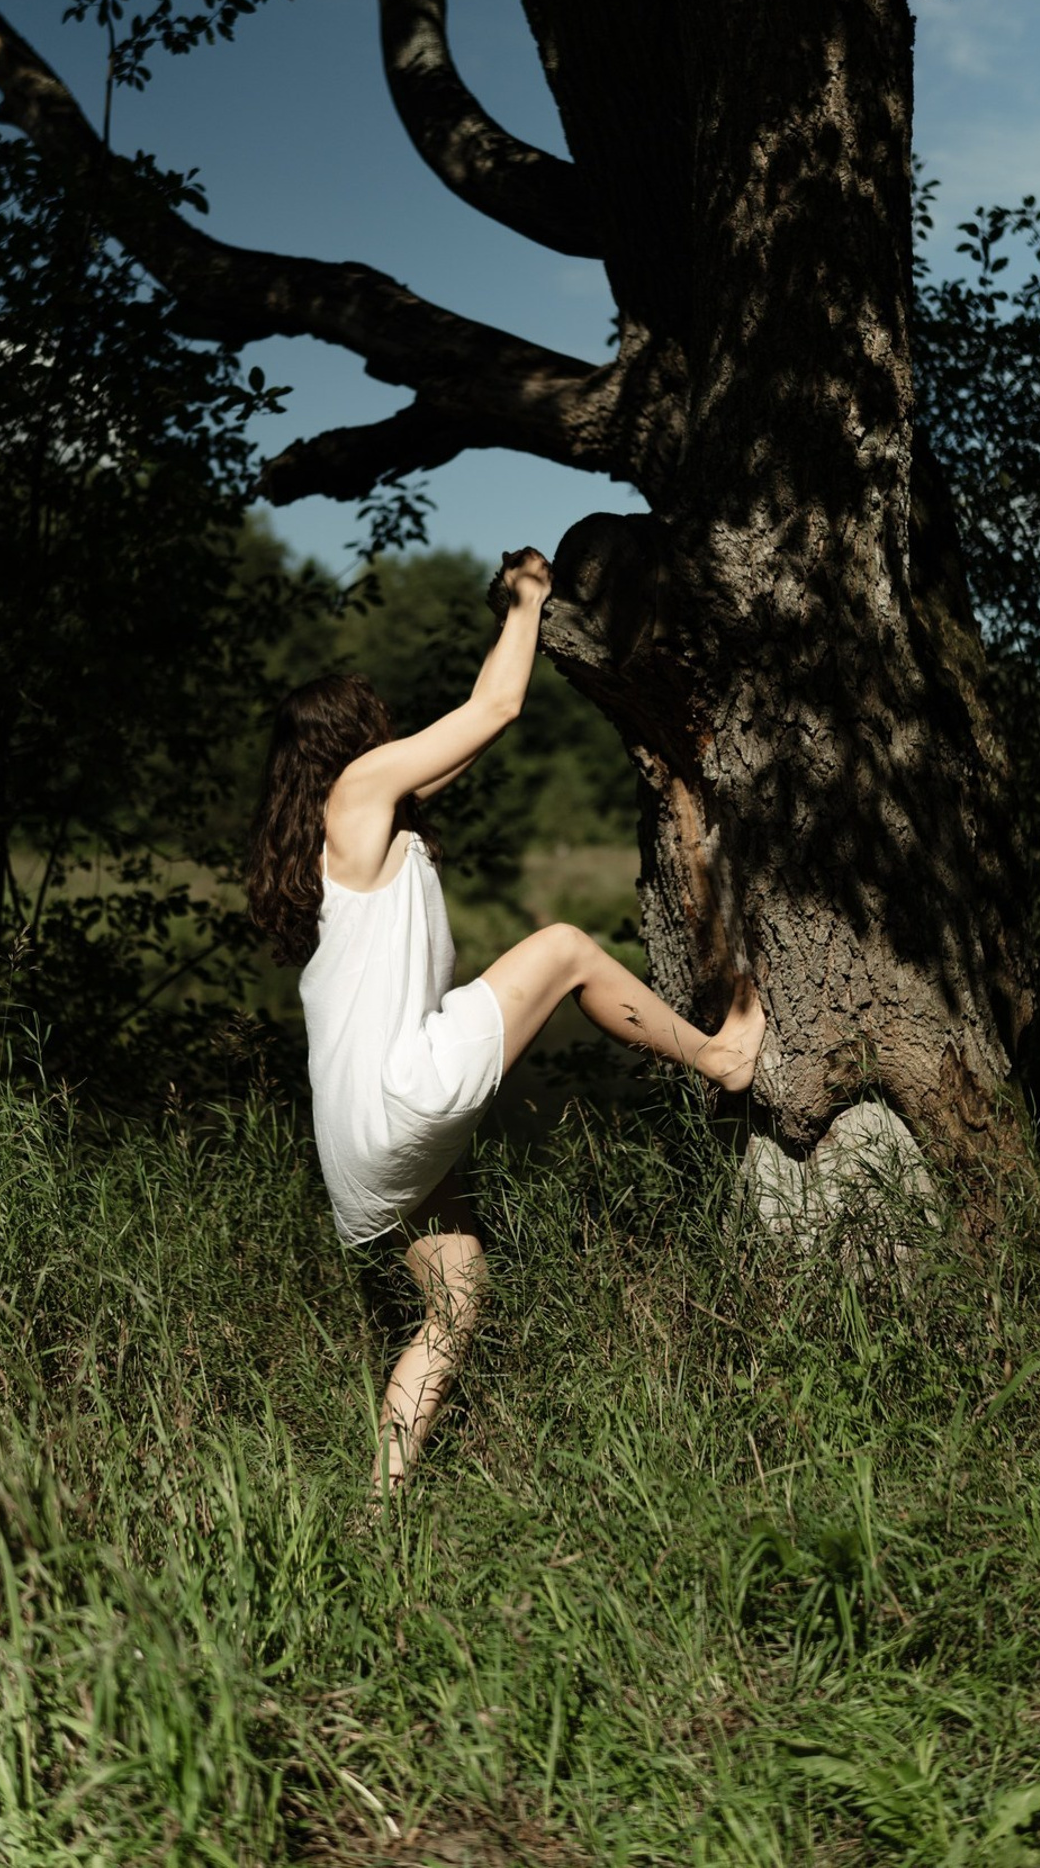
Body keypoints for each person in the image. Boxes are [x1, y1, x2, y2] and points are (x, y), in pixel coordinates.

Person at [246, 546, 765, 1501]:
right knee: (565, 947)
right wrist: (529, 600)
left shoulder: (349, 833)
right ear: (350, 742)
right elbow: (495, 710)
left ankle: (380, 1509)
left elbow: (475, 729)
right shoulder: (358, 793)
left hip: (351, 1144)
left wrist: (509, 630)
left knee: (456, 1297)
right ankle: (723, 1057)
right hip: (399, 1094)